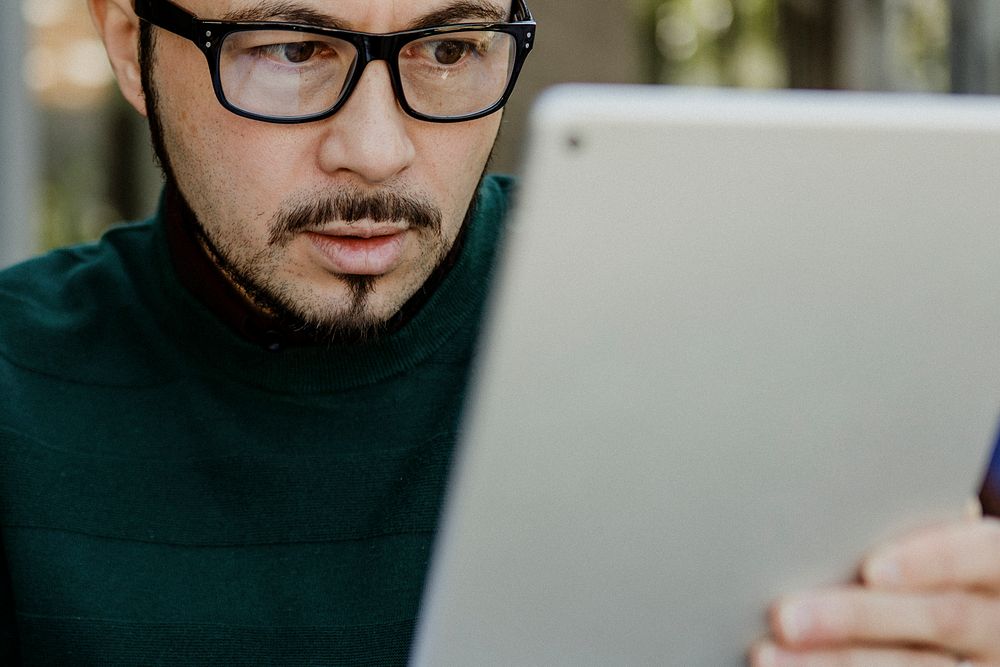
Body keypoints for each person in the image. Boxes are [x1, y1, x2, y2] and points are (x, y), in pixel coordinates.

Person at [0, 1, 997, 665]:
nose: (377, 151)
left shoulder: (722, 333)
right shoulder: (16, 385)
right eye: (290, 51)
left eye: (448, 49)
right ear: (129, 43)